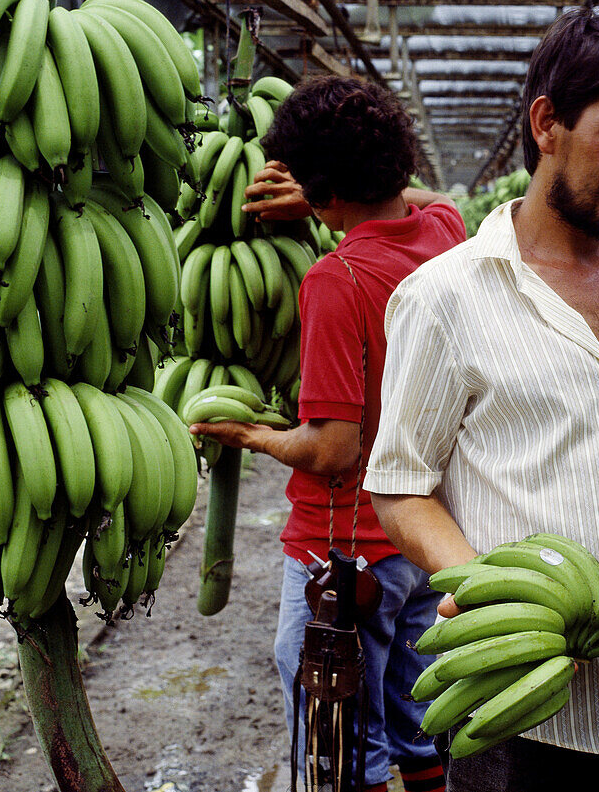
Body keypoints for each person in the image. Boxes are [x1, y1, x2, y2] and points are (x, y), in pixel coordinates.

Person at [362, 8, 599, 791]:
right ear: (547, 123)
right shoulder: (446, 297)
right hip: (526, 707)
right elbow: (400, 483)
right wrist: (483, 589)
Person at [189, 74, 465, 792]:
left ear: (324, 192)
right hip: (425, 541)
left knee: (337, 729)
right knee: (414, 713)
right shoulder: (444, 237)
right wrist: (324, 203)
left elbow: (334, 448)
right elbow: (435, 201)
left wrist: (253, 436)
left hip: (346, 552)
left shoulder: (334, 280)